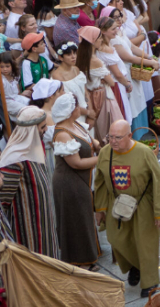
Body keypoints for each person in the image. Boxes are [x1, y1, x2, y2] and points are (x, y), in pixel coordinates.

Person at [93, 119, 160, 298]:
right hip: (116, 203)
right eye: (110, 137)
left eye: (118, 137)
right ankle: (135, 265)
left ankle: (150, 281)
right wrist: (100, 208)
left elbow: (159, 182)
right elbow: (99, 182)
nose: (113, 141)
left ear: (129, 136)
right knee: (116, 238)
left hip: (142, 204)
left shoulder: (144, 152)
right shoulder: (106, 153)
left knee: (146, 243)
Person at [0, 106, 60, 258]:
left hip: (45, 228)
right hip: (27, 235)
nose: (46, 129)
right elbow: (3, 202)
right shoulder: (14, 161)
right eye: (42, 127)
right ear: (31, 130)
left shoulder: (34, 151)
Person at [51, 91, 101, 268]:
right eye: (77, 106)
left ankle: (89, 254)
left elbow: (89, 139)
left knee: (84, 214)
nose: (81, 108)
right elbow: (77, 163)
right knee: (76, 219)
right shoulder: (63, 134)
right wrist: (103, 159)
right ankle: (80, 260)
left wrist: (96, 144)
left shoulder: (76, 125)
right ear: (71, 110)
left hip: (80, 180)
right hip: (69, 183)